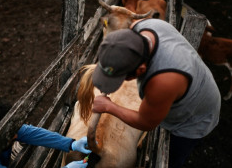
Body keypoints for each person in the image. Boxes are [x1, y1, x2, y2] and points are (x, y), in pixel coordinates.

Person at [91, 18, 221, 168]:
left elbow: (145, 122)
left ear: (140, 70)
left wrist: (108, 107)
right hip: (195, 77)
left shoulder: (163, 82)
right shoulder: (143, 25)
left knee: (171, 159)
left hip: (193, 118)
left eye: (122, 77)